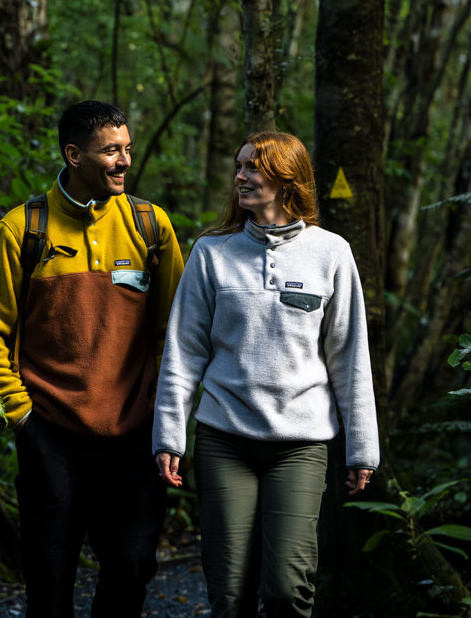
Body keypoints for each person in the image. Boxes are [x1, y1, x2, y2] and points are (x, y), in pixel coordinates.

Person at [0, 100, 186, 617]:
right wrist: (22, 418)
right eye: (111, 151)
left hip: (134, 435)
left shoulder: (151, 226)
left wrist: (159, 407)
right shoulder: (22, 230)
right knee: (49, 579)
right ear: (73, 154)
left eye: (127, 149)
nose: (125, 161)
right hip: (50, 435)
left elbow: (174, 331)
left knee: (131, 569)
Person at [151, 131, 380, 618]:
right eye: (240, 166)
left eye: (253, 167)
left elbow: (349, 357)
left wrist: (362, 449)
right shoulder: (211, 253)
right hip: (224, 438)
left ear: (287, 178)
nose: (240, 176)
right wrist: (169, 436)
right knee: (229, 593)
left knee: (286, 589)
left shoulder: (331, 252)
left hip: (300, 444)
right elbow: (183, 353)